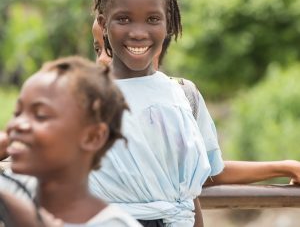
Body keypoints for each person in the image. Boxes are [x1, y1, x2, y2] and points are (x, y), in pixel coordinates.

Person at [88, 0, 225, 227]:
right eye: (124, 19)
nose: (139, 33)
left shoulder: (181, 98)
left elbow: (188, 195)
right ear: (104, 24)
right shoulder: (81, 98)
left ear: (167, 24)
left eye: (153, 19)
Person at [92, 18, 300, 186]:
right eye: (97, 49)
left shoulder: (182, 95)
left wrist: (286, 167)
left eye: (108, 47)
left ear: (151, 44)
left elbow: (208, 171)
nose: (101, 58)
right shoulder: (91, 100)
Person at [0, 56, 142, 227]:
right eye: (17, 113)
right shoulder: (15, 189)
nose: (17, 124)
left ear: (93, 137)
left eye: (40, 116)